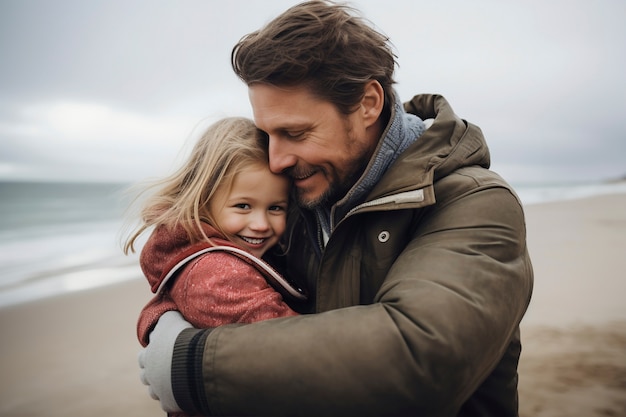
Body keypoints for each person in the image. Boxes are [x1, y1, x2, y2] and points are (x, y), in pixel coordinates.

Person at [139, 1, 534, 415]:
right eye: (268, 135)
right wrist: (164, 314)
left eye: (295, 132)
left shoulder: (475, 203)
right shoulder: (297, 198)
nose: (277, 160)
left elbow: (422, 360)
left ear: (367, 103)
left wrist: (192, 363)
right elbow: (213, 265)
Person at [125, 117, 304, 415]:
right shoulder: (217, 274)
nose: (260, 224)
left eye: (275, 207)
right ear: (203, 201)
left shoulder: (214, 254)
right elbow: (292, 345)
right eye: (243, 206)